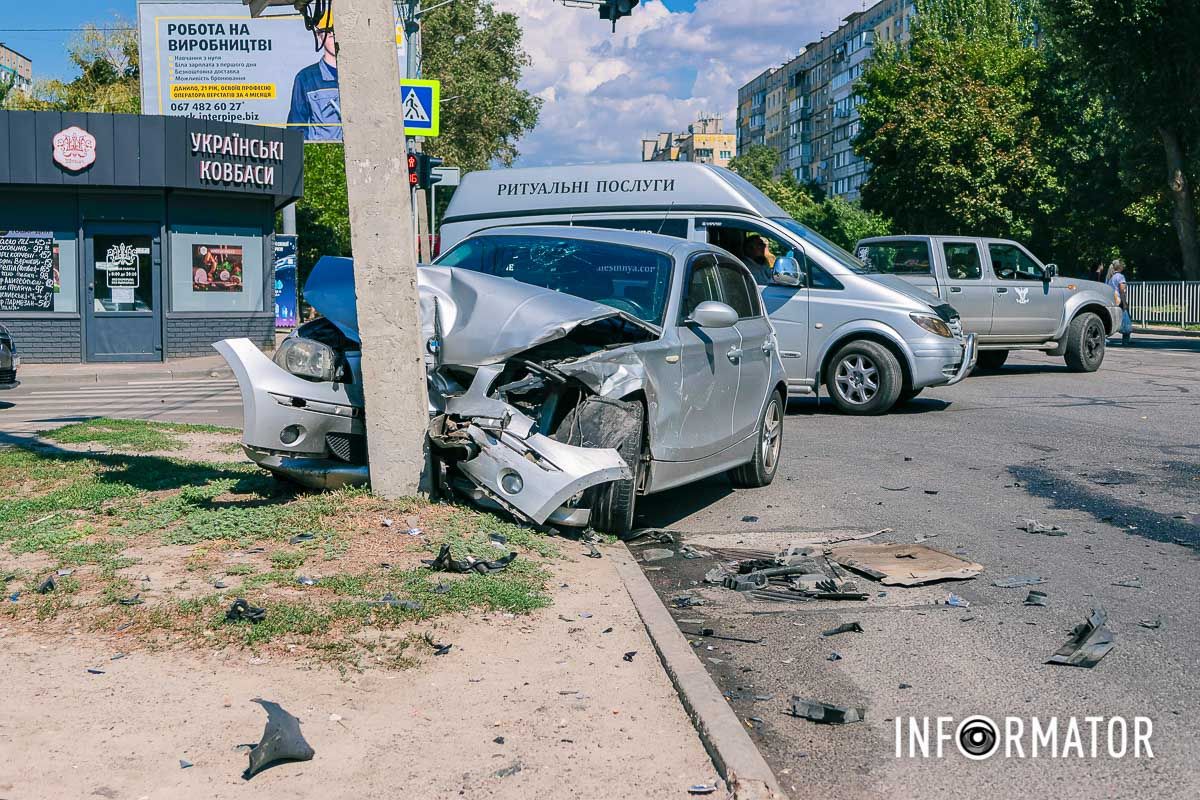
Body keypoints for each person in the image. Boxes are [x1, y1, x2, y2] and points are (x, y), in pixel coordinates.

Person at [287, 9, 342, 141]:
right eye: (329, 34)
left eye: (337, 32)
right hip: (326, 158)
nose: (335, 38)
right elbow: (296, 129)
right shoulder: (306, 79)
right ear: (319, 35)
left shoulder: (360, 75)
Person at [1105, 258, 1132, 345]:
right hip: (1119, 301)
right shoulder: (1120, 277)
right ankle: (1125, 341)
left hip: (1110, 301)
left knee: (1110, 319)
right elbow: (1122, 291)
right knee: (1126, 321)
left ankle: (1104, 338)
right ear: (1120, 267)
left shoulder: (1109, 277)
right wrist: (1124, 303)